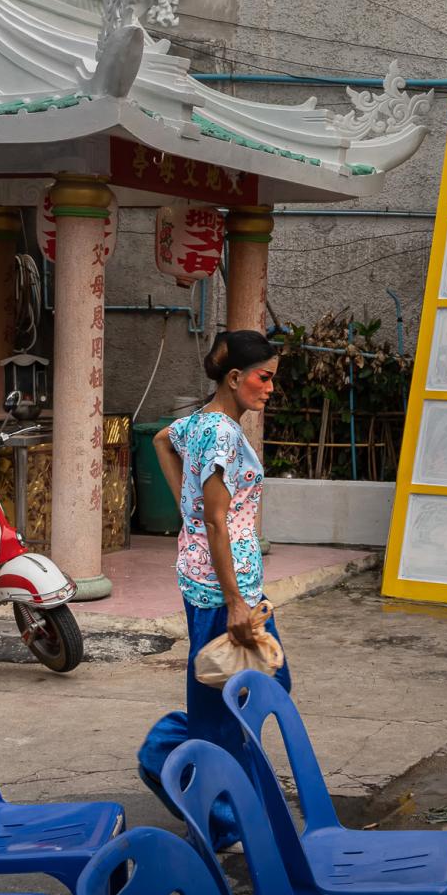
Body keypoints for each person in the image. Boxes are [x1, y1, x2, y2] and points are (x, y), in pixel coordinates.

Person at [136, 330, 293, 844]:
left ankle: (221, 803)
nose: (270, 387)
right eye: (263, 377)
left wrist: (187, 507)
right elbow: (218, 521)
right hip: (219, 588)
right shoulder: (222, 435)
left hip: (216, 578)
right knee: (230, 703)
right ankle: (169, 764)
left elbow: (163, 440)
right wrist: (235, 602)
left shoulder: (199, 423)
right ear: (234, 377)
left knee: (260, 689)